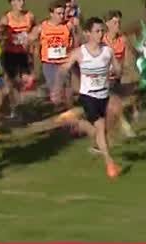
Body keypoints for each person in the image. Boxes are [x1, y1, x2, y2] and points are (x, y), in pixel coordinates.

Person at [53, 17, 123, 180]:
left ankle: (74, 121)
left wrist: (116, 72)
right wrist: (57, 87)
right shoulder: (80, 53)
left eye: (102, 31)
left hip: (103, 95)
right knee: (100, 129)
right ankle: (110, 164)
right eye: (97, 31)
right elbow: (63, 69)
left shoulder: (108, 51)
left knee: (101, 130)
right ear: (87, 33)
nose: (100, 34)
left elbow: (118, 69)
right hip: (88, 96)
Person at [30, 0, 73, 107]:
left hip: (64, 63)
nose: (61, 16)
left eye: (63, 13)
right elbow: (30, 39)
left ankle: (67, 108)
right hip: (49, 64)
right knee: (55, 90)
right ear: (51, 13)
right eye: (58, 13)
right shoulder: (42, 27)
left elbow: (76, 40)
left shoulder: (68, 26)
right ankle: (56, 108)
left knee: (66, 89)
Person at [0, 0, 34, 114]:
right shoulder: (6, 19)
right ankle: (12, 108)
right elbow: (0, 35)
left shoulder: (29, 16)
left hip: (23, 54)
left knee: (24, 81)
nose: (22, 3)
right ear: (12, 2)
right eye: (18, 0)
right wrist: (6, 37)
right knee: (11, 82)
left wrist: (30, 41)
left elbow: (34, 31)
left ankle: (17, 106)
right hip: (9, 54)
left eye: (23, 0)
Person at [104, 10, 135, 139]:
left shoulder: (123, 40)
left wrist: (124, 69)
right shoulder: (101, 41)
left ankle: (103, 137)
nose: (118, 25)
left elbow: (128, 60)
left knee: (113, 109)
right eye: (115, 23)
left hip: (116, 79)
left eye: (119, 23)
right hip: (102, 80)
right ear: (107, 24)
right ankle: (124, 126)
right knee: (115, 104)